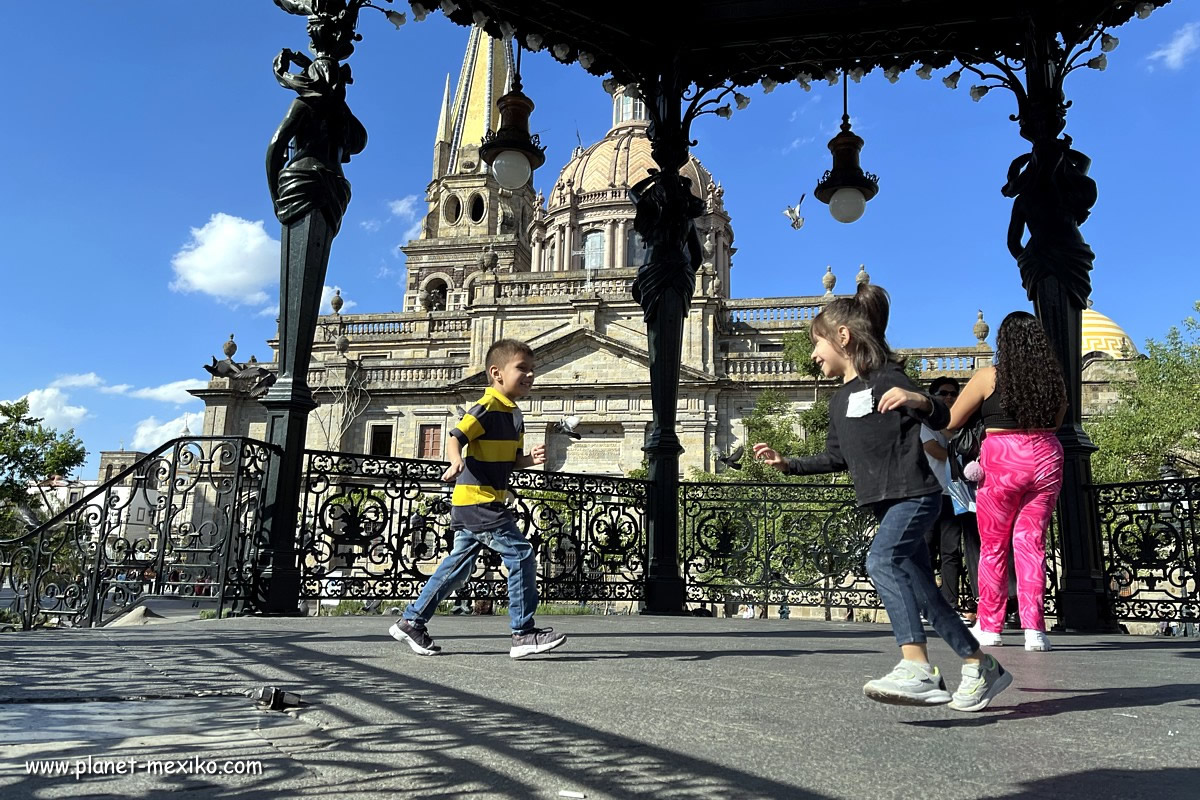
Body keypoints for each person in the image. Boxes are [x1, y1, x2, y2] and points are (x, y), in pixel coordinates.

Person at [753, 283, 1010, 712]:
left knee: (880, 561)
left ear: (842, 338)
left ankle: (918, 668)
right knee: (926, 594)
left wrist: (919, 399)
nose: (814, 356)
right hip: (885, 504)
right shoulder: (838, 402)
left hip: (915, 496)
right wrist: (787, 464)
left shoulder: (888, 378)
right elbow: (836, 457)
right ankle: (980, 664)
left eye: (816, 344)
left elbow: (946, 417)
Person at [389, 339, 567, 659]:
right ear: (496, 373)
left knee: (458, 568)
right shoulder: (486, 406)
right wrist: (455, 461)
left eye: (532, 370)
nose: (530, 375)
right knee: (521, 553)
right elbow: (456, 436)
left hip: (483, 500)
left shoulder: (514, 414)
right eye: (522, 368)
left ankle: (411, 621)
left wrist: (529, 459)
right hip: (477, 499)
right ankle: (523, 633)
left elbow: (510, 460)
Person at [947, 311, 1066, 652]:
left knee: (994, 546)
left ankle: (990, 624)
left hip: (1003, 459)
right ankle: (1035, 630)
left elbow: (953, 420)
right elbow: (1057, 421)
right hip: (1045, 457)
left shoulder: (989, 377)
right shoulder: (1053, 380)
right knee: (1032, 544)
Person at [920, 377, 969, 613]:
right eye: (943, 393)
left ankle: (950, 603)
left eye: (953, 394)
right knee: (927, 551)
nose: (948, 398)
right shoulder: (924, 425)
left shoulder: (961, 426)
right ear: (933, 396)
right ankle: (928, 604)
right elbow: (937, 452)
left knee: (951, 552)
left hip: (953, 494)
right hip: (929, 495)